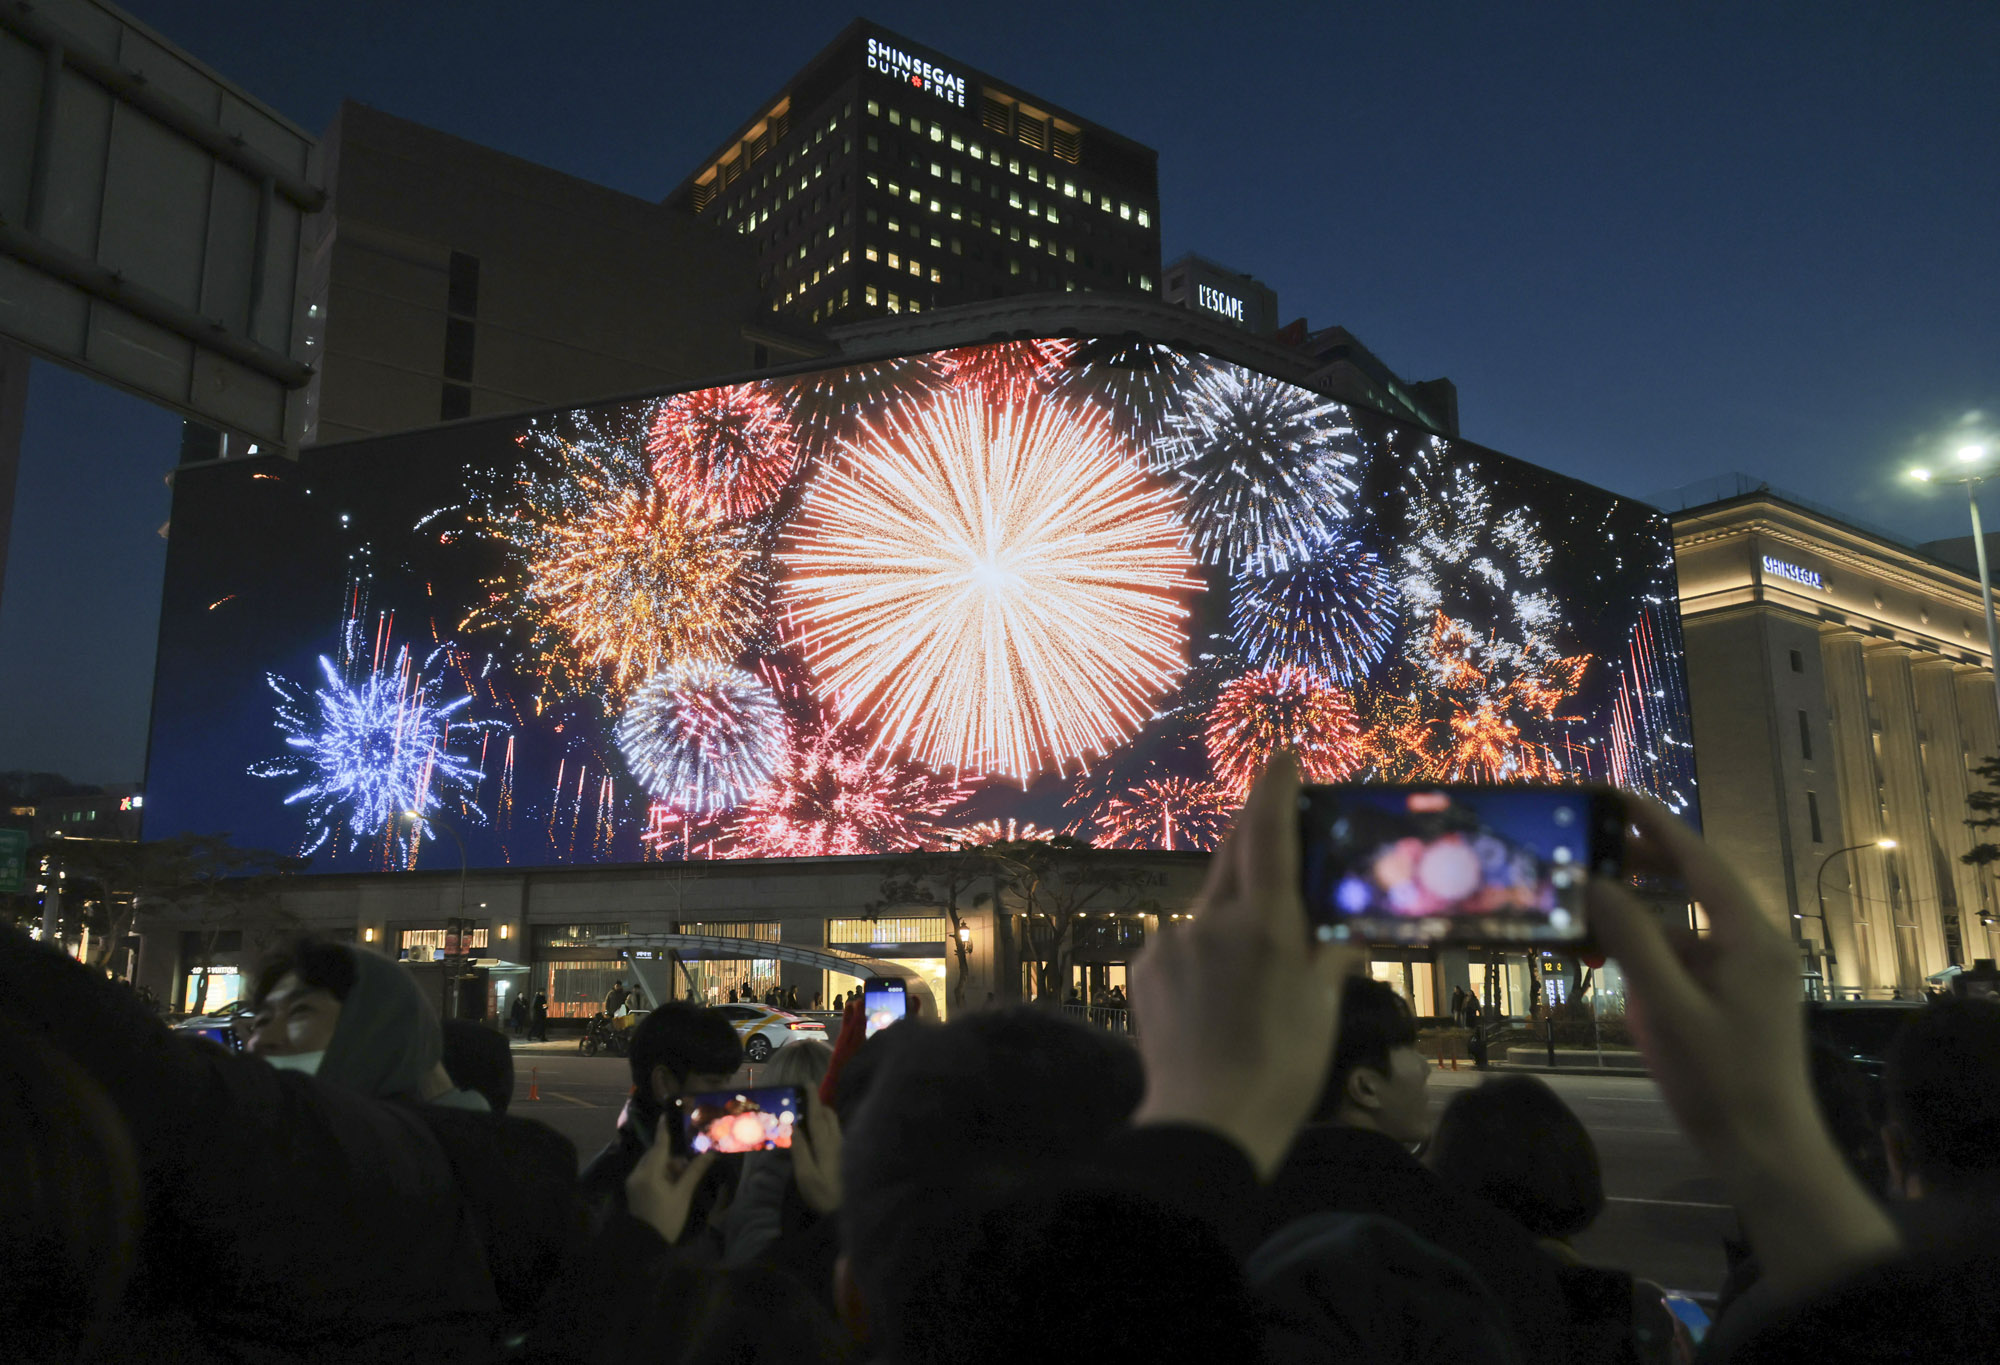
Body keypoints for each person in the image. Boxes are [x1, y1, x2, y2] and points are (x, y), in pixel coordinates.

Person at [1263, 976, 1579, 1360]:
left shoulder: (1236, 1210)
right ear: (1365, 1088)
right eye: (1409, 1049)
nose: (1425, 1069)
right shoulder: (1463, 1235)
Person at [578, 1000, 744, 1228]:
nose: (728, 1096)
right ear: (664, 1083)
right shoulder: (606, 1192)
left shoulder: (721, 1153)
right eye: (713, 1083)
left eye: (729, 1081)